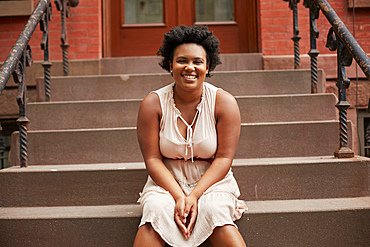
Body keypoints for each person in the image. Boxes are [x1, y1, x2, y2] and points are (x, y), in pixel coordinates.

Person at [133, 25, 247, 247]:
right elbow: (153, 159)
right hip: (166, 181)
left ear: (208, 65)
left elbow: (224, 158)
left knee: (215, 211)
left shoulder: (224, 102)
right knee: (155, 212)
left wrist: (194, 195)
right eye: (182, 60)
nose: (190, 68)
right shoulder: (152, 104)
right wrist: (179, 196)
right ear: (170, 64)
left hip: (212, 181)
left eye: (197, 61)